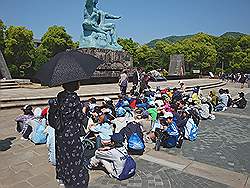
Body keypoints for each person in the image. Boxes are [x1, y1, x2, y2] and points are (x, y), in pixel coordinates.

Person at [51, 81, 89, 188]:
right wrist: (85, 113)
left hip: (60, 132)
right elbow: (79, 116)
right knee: (74, 157)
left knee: (62, 155)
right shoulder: (73, 97)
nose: (79, 83)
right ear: (73, 85)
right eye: (78, 82)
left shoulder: (60, 95)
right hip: (71, 132)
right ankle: (74, 182)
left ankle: (62, 178)